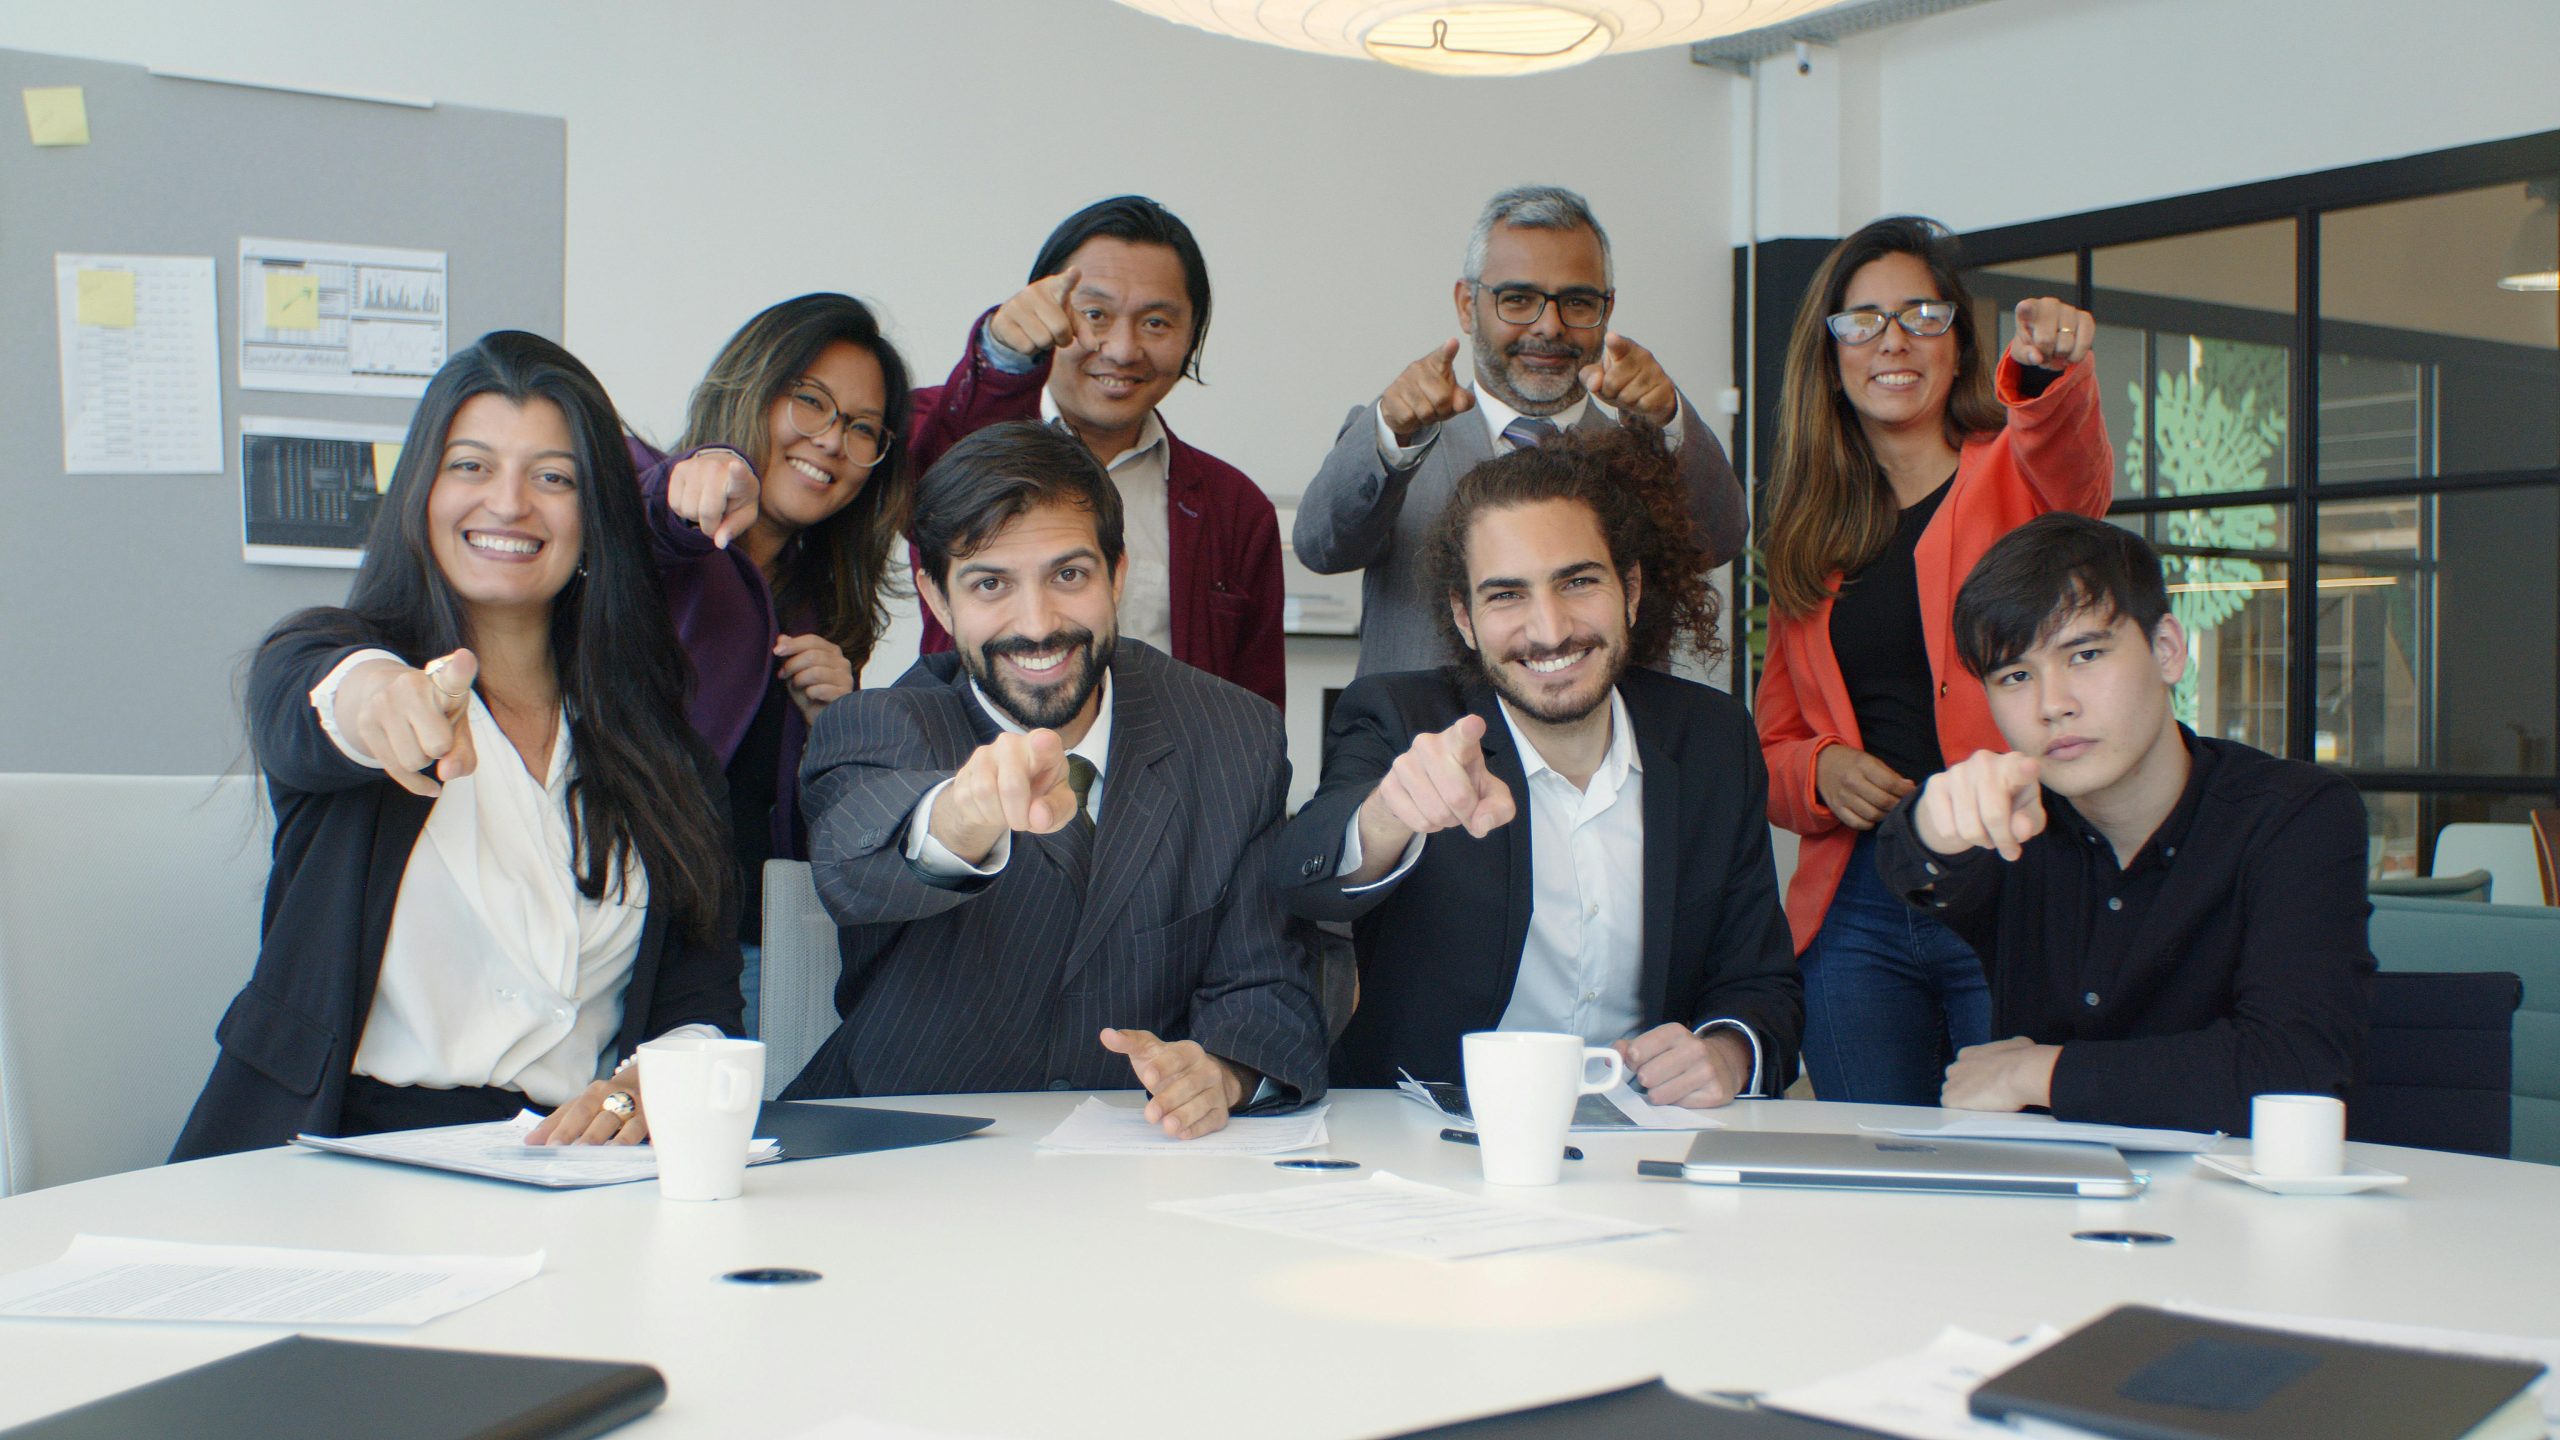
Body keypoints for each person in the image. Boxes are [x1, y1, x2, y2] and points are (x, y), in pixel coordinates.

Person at [173, 332, 741, 1160]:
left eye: (553, 477)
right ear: (422, 491)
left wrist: (652, 1081)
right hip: (339, 1160)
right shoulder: (337, 662)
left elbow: (702, 1002)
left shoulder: (665, 753)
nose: (509, 504)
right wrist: (378, 698)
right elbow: (318, 699)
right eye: (471, 466)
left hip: (571, 1177)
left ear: (597, 516)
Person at [779, 422, 1326, 1138]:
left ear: (1117, 575)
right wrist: (960, 816)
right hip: (901, 1156)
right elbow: (853, 865)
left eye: (1069, 575)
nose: (1037, 625)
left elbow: (1264, 986)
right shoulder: (878, 726)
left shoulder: (1232, 736)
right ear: (939, 602)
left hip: (1140, 1164)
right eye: (990, 584)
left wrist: (1222, 1072)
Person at [1275, 425, 1800, 1099]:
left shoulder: (1713, 740)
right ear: (1464, 619)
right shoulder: (1401, 718)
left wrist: (1729, 1053)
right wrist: (1386, 815)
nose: (1550, 629)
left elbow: (1762, 984)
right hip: (1430, 1131)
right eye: (1506, 595)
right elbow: (1298, 877)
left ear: (1630, 590)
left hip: (1638, 1132)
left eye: (1577, 582)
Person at [1756, 216, 2113, 1105]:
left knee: (2020, 1168)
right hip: (1860, 907)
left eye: (1921, 314)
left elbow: (2072, 465)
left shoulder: (2017, 473)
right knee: (1873, 1178)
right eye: (1863, 321)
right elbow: (1770, 749)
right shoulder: (1810, 534)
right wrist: (1820, 768)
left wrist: (2049, 372)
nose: (1893, 341)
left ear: (1958, 340)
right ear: (1829, 354)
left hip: (2017, 888)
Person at [1876, 514, 2373, 1134]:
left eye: (2084, 654)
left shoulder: (2295, 815)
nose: (2052, 704)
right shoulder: (2020, 824)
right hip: (2049, 1206)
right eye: (2015, 676)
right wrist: (1933, 824)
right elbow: (1908, 865)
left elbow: (2292, 1071)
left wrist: (2036, 1074)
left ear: (2166, 649)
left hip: (2242, 1207)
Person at [1295, 184, 1746, 678]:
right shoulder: (1401, 438)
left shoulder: (1642, 442)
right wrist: (1390, 433)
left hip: (1604, 749)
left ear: (1607, 309)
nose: (1549, 326)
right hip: (1423, 746)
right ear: (1467, 305)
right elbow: (1321, 546)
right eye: (1518, 299)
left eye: (1576, 302)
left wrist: (1670, 421)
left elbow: (1719, 542)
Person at [633, 294, 914, 1034]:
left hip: (756, 956)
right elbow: (646, 510)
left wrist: (839, 726)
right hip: (620, 936)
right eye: (810, 403)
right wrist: (695, 481)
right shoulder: (656, 519)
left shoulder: (825, 606)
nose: (830, 442)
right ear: (752, 387)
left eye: (861, 430)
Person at [906, 196, 1284, 707]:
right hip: (977, 774)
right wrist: (1003, 358)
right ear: (1043, 312)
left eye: (1156, 323)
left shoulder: (1234, 507)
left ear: (1192, 334)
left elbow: (1256, 712)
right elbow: (930, 475)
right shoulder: (952, 433)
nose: (1124, 349)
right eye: (1095, 315)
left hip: (1170, 782)